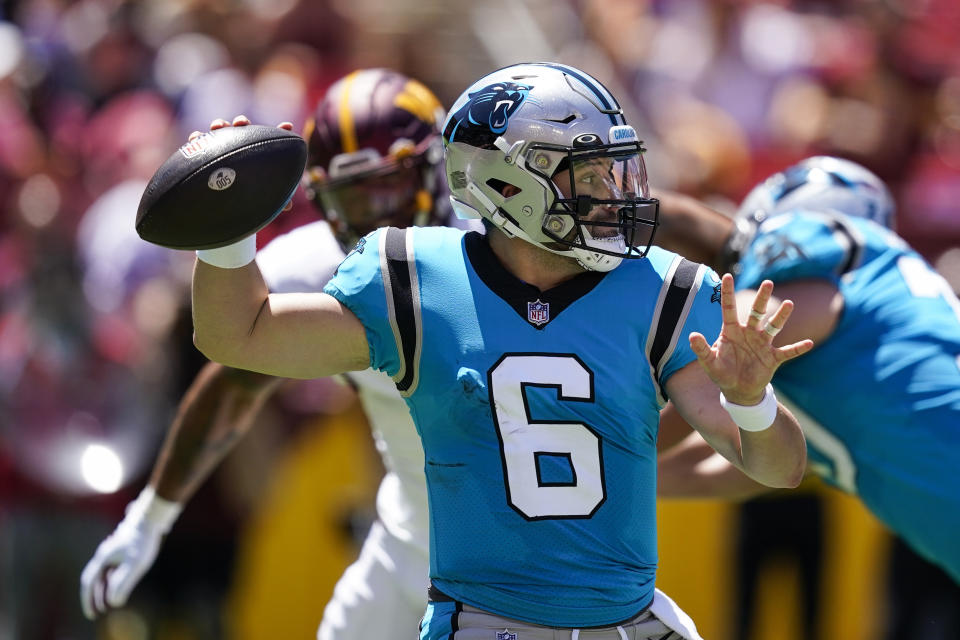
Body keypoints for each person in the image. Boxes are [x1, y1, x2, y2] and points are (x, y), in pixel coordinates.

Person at [184, 62, 812, 639]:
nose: (611, 195)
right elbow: (236, 334)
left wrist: (753, 401)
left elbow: (779, 468)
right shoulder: (417, 278)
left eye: (613, 171)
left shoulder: (661, 289)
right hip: (483, 625)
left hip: (629, 622)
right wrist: (227, 229)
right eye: (586, 175)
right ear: (508, 183)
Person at [80, 68, 468, 639]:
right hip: (407, 544)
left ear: (438, 170)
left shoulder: (502, 251)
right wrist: (149, 519)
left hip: (520, 562)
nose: (376, 216)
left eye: (388, 187)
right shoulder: (318, 265)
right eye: (352, 197)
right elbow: (233, 377)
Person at [654, 155, 960, 584]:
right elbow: (742, 465)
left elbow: (718, 360)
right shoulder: (866, 339)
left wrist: (607, 445)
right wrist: (623, 476)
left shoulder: (809, 244)